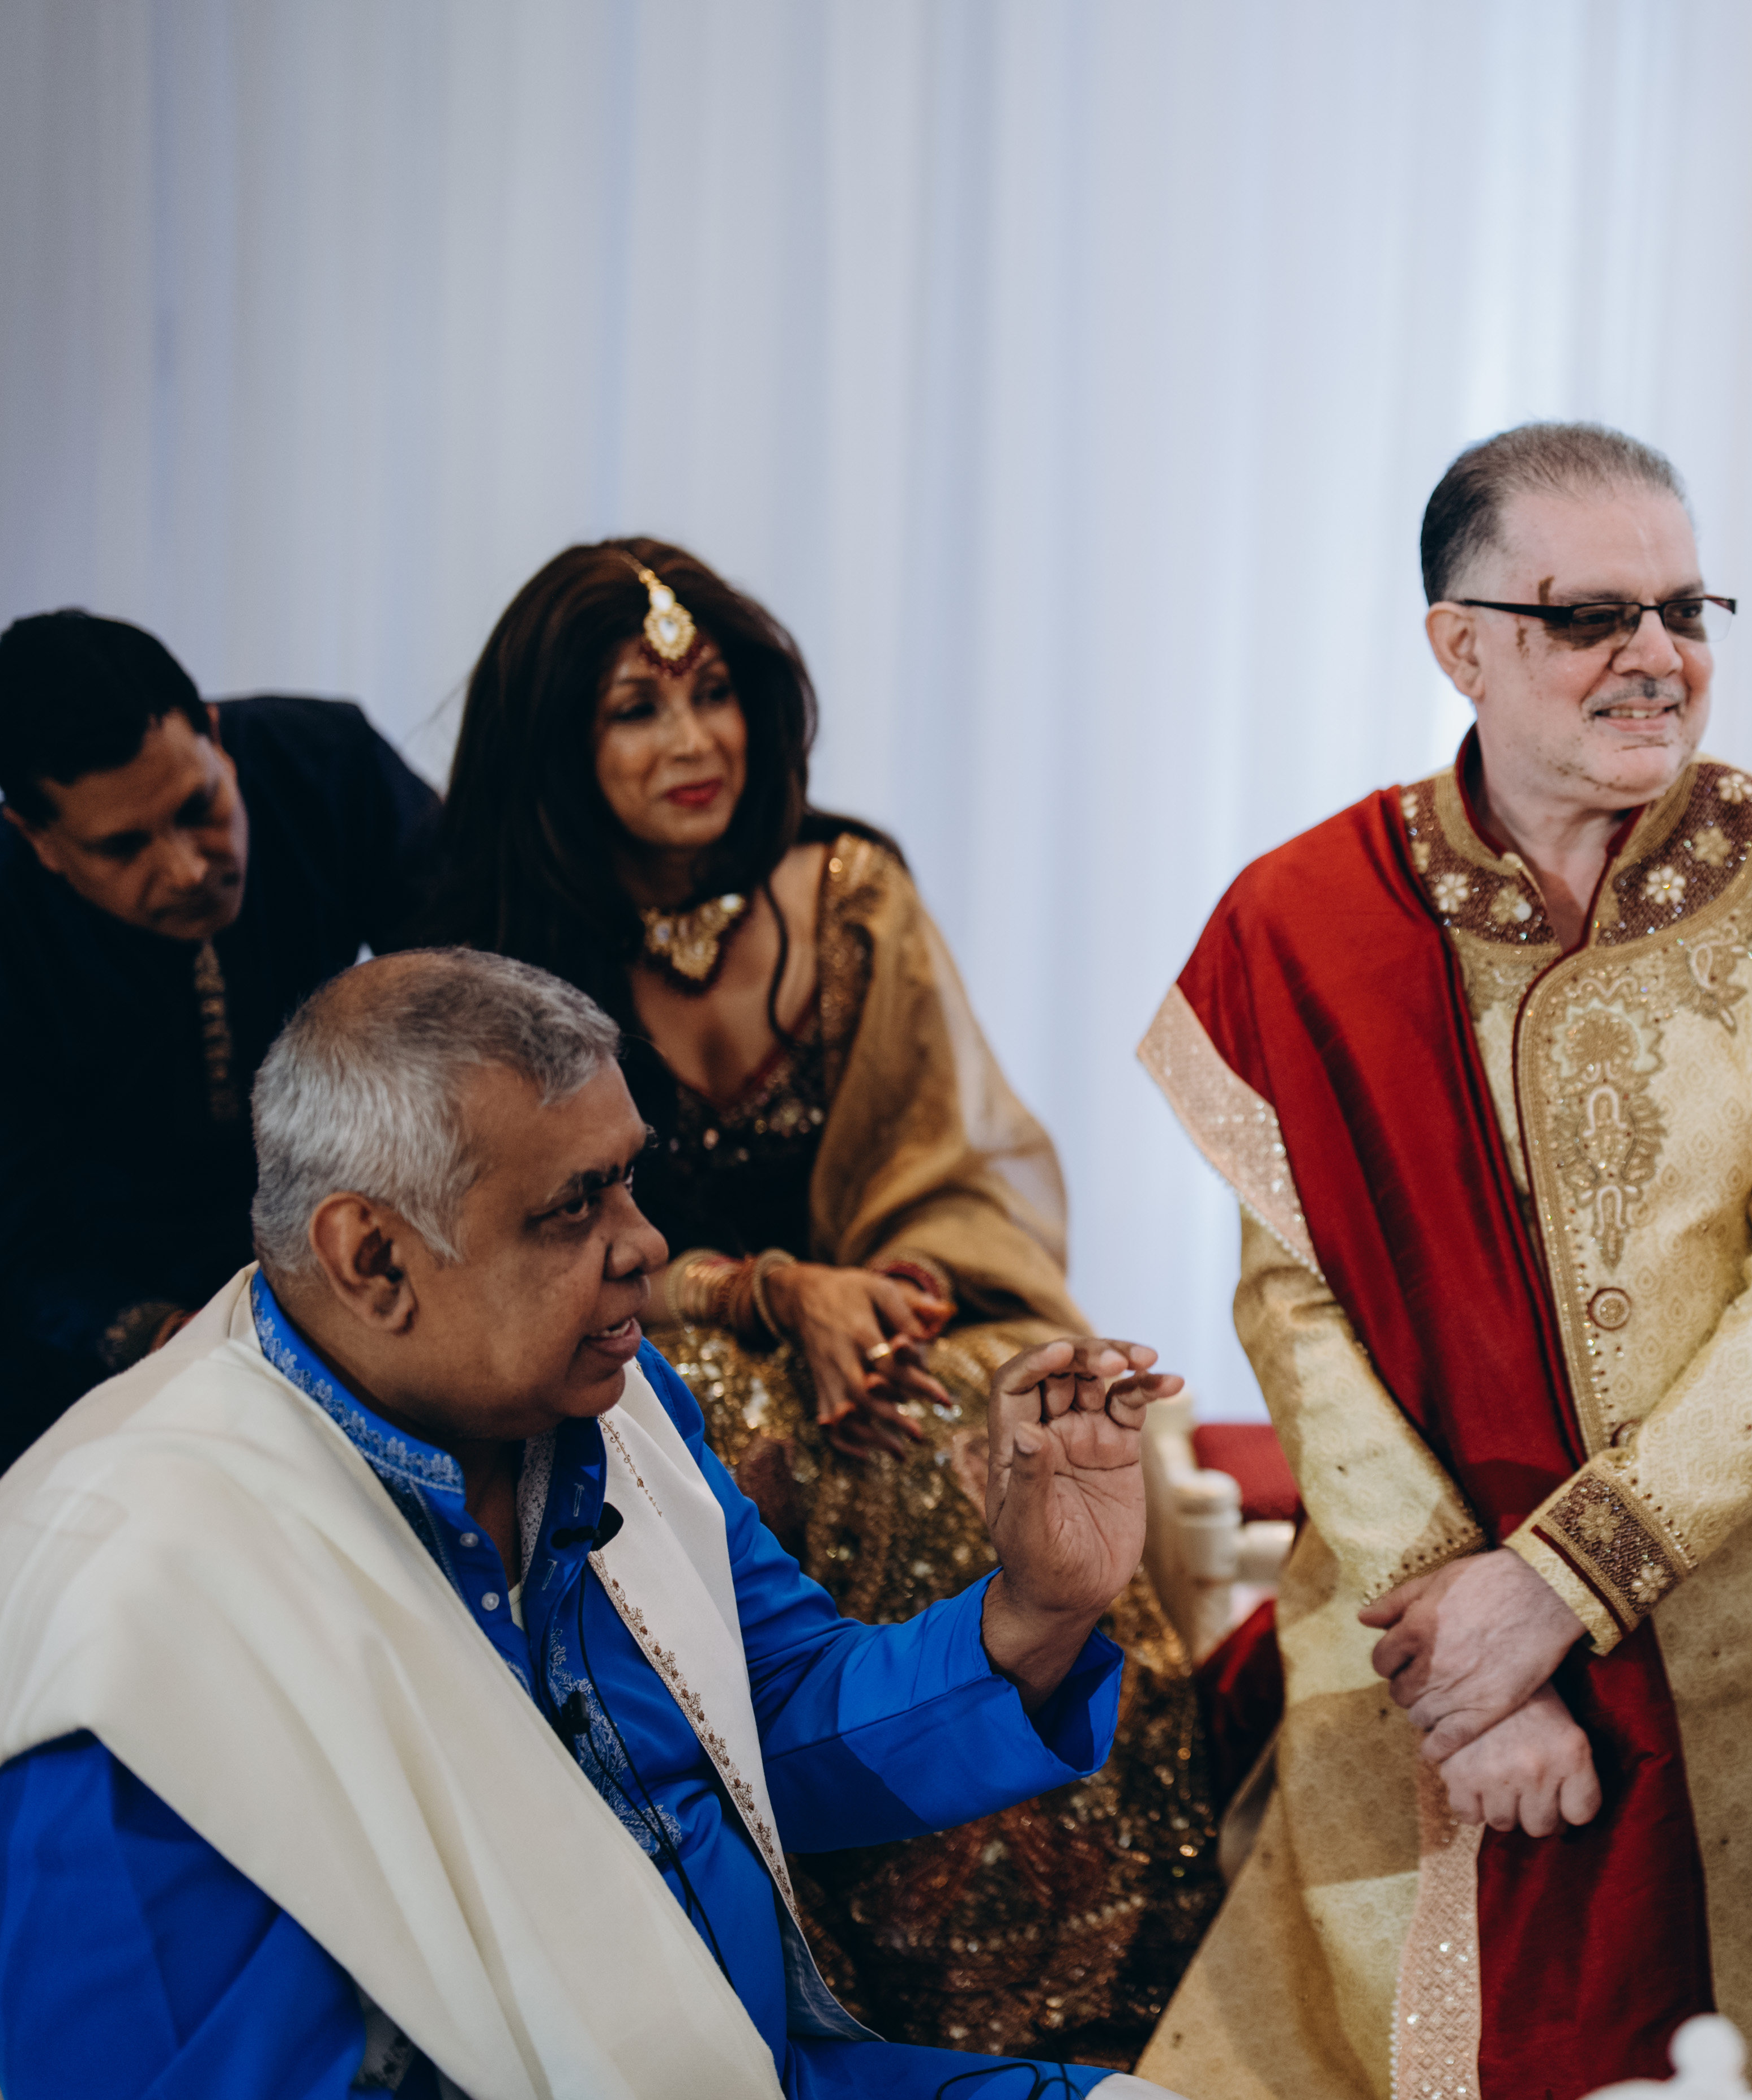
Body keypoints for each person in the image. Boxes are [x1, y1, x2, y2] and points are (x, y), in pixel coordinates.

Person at [0, 948, 1186, 2098]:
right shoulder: (140, 1619)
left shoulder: (602, 1403)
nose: (648, 1244)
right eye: (575, 1205)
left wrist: (1035, 1611)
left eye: (628, 1177)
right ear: (373, 1259)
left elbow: (758, 1718)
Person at [1133, 422, 1752, 2100]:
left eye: (1684, 609)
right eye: (1589, 616)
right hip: (1410, 1649)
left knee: (1730, 2056)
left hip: (1722, 1639)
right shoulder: (1301, 921)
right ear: (1460, 646)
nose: (1656, 655)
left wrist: (1554, 1586)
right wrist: (1468, 1660)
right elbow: (1293, 1302)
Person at [409, 539, 1216, 2064]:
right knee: (718, 1428)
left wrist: (882, 1302)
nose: (692, 740)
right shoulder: (490, 955)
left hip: (880, 1311)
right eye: (635, 709)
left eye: (713, 692)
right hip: (637, 1337)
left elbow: (952, 1169)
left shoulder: (849, 895)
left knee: (969, 1425)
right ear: (556, 743)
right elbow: (505, 1248)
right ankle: (810, 1975)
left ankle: (1067, 1981)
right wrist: (768, 1295)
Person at [0, 610, 437, 1456]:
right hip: (103, 1322)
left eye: (198, 807)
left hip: (341, 1239)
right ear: (38, 840)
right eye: (122, 847)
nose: (188, 869)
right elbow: (23, 1238)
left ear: (212, 732)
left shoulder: (327, 763)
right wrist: (182, 1342)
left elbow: (479, 989)